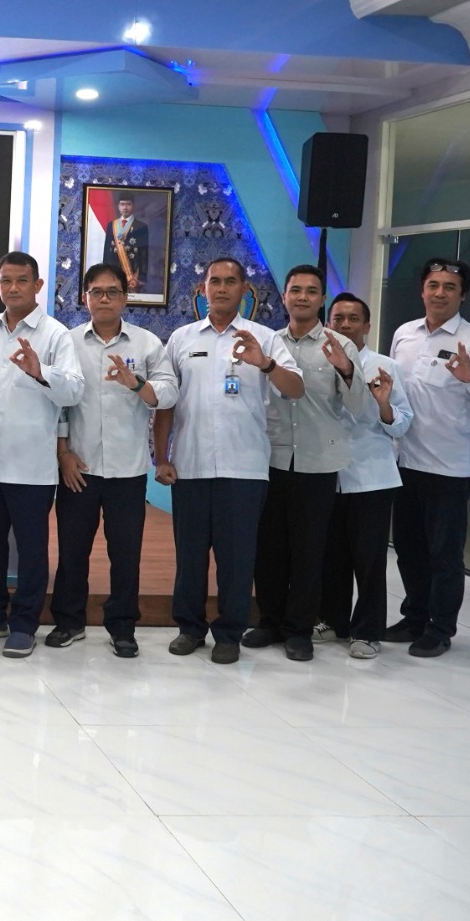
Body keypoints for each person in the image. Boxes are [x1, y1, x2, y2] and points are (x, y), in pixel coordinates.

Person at [153, 256, 303, 665]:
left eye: (230, 282)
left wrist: (265, 364)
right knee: (190, 556)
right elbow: (166, 402)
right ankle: (189, 628)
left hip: (245, 468)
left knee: (237, 560)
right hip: (191, 465)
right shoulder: (181, 339)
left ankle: (229, 634)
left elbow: (296, 389)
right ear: (202, 289)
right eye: (214, 281)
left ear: (244, 290)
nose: (221, 288)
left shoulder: (265, 339)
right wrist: (161, 457)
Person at [386, 258, 470, 657]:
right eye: (433, 285)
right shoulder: (404, 335)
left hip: (449, 467)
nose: (440, 293)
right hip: (405, 461)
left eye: (450, 287)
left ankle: (440, 629)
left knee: (444, 554)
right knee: (408, 550)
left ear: (463, 296)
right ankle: (414, 617)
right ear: (422, 290)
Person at [0, 251, 85, 658]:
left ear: (38, 285)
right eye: (6, 280)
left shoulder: (55, 335)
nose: (13, 288)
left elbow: (73, 391)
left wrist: (39, 371)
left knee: (32, 551)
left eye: (21, 280)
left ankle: (24, 623)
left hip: (31, 465)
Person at [52, 263, 177, 658]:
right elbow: (58, 404)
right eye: (96, 291)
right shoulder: (68, 342)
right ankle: (69, 622)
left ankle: (122, 627)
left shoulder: (146, 343)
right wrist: (63, 453)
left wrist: (136, 383)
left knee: (126, 554)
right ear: (85, 297)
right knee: (72, 551)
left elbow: (169, 393)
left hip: (128, 469)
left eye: (112, 291)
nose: (104, 298)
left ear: (125, 297)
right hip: (80, 468)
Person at [245, 265, 368, 661]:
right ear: (284, 297)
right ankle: (270, 622)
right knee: (269, 548)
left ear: (321, 299)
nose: (302, 297)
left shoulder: (339, 345)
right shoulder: (268, 342)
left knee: (309, 551)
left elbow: (359, 406)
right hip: (270, 458)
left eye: (311, 291)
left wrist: (346, 369)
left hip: (318, 461)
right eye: (295, 290)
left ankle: (299, 630)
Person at [322, 292, 412, 658]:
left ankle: (367, 631)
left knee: (369, 560)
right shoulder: (317, 362)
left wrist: (383, 403)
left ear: (367, 326)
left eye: (353, 319)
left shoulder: (384, 366)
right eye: (338, 318)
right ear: (328, 324)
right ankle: (333, 621)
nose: (345, 325)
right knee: (331, 556)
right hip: (326, 473)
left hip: (371, 478)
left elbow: (402, 424)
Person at [101, 195, 150, 293]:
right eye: (122, 204)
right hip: (113, 273)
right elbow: (107, 251)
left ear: (133, 206)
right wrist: (105, 274)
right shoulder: (111, 225)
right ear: (118, 206)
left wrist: (141, 277)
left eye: (128, 204)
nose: (125, 207)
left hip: (133, 274)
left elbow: (144, 253)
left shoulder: (141, 226)